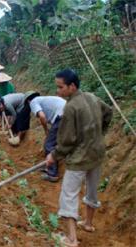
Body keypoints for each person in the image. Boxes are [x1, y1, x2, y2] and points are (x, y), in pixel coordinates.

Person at [46, 69, 112, 247]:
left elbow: (67, 140)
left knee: (68, 196)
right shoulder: (92, 97)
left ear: (72, 86)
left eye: (60, 87)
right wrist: (99, 134)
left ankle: (71, 239)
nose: (57, 91)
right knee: (92, 190)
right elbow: (108, 112)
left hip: (80, 159)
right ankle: (88, 224)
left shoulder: (71, 107)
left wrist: (54, 155)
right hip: (97, 154)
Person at [24, 91, 66, 182]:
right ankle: (50, 165)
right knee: (56, 142)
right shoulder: (45, 99)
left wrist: (46, 130)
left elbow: (42, 117)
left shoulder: (33, 102)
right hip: (70, 114)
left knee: (49, 145)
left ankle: (52, 174)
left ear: (28, 101)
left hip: (62, 116)